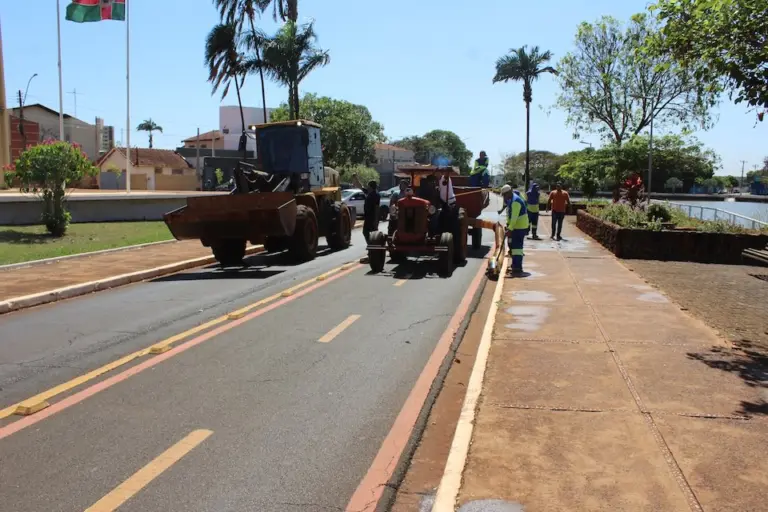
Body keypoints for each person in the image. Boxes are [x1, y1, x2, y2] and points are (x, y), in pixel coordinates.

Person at [501, 184, 530, 274]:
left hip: (519, 227)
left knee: (517, 248)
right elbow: (509, 215)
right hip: (516, 227)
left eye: (505, 195)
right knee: (513, 247)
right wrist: (508, 225)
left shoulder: (515, 201)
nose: (504, 197)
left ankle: (517, 268)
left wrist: (510, 229)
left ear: (509, 192)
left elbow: (514, 217)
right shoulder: (511, 200)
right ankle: (515, 265)